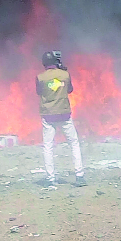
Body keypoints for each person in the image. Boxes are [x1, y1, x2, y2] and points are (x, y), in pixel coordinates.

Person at [35, 50, 85, 189]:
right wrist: (62, 72)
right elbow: (70, 90)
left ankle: (50, 178)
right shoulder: (65, 75)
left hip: (48, 115)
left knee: (48, 146)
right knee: (73, 143)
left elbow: (39, 92)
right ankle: (79, 175)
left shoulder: (40, 77)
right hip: (64, 113)